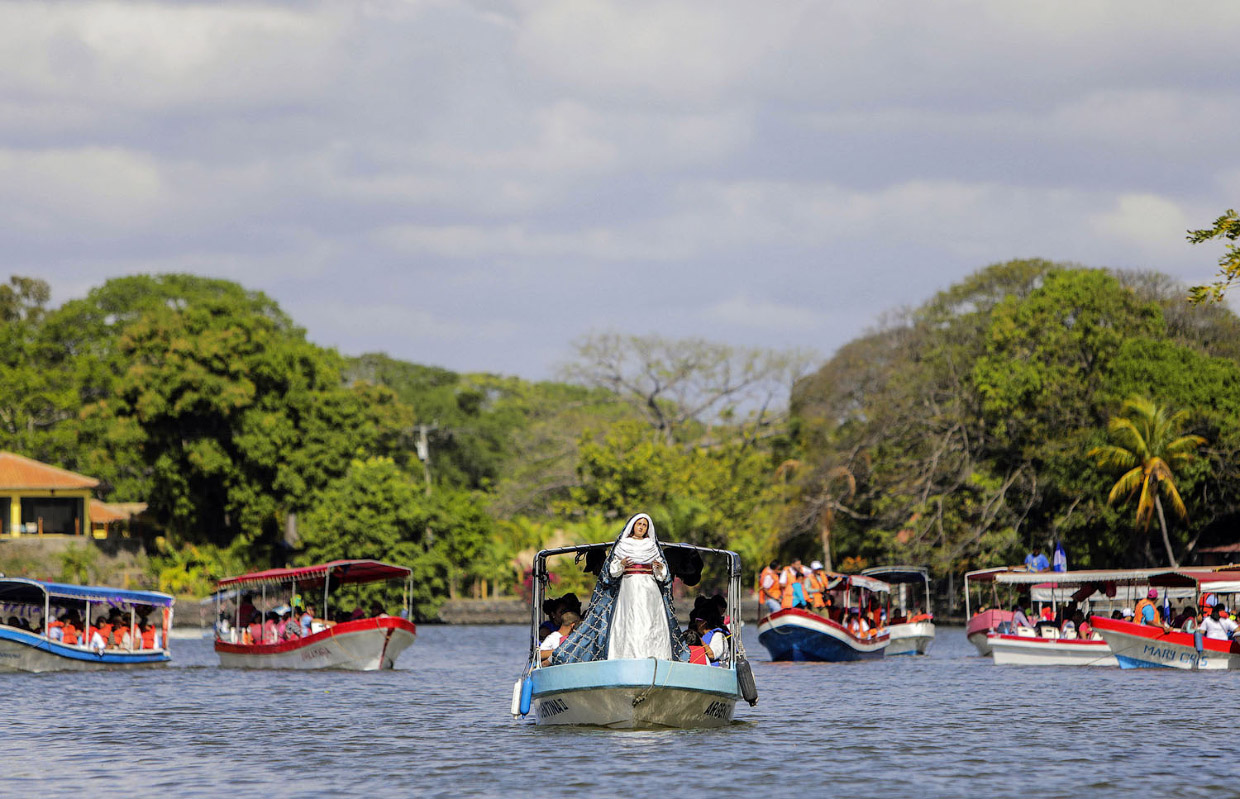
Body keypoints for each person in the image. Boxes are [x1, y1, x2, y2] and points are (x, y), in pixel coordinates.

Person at [550, 512, 687, 665]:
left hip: (650, 590)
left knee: (651, 622)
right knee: (629, 621)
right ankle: (626, 658)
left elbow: (662, 575)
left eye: (644, 525)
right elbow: (612, 571)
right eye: (639, 524)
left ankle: (655, 658)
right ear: (633, 526)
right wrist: (621, 564)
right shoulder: (623, 545)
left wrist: (660, 568)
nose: (641, 527)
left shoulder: (652, 547)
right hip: (629, 589)